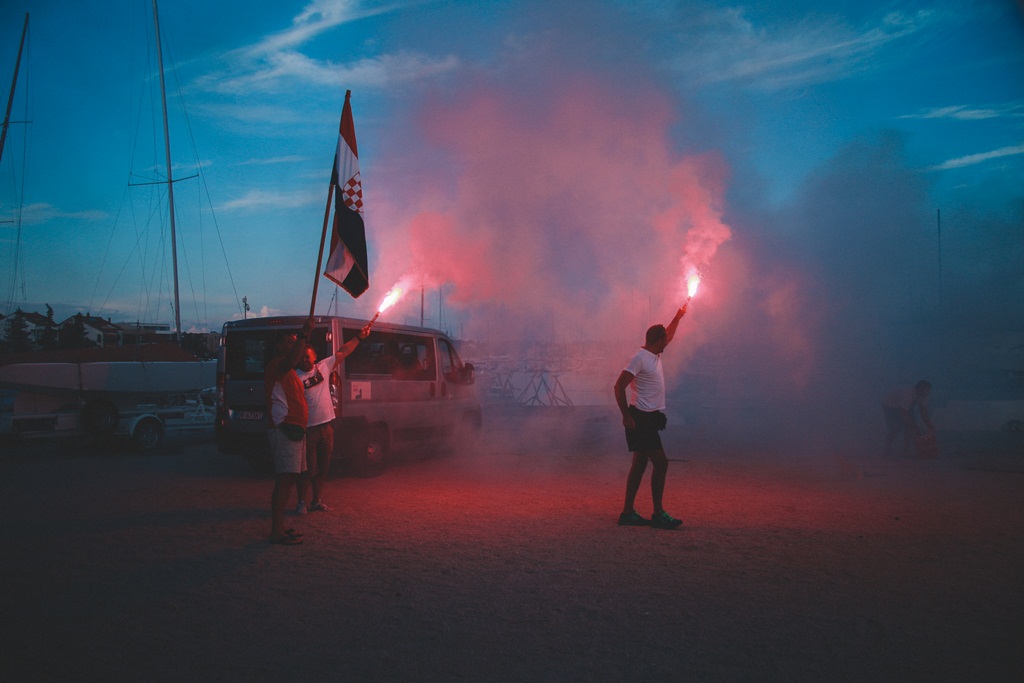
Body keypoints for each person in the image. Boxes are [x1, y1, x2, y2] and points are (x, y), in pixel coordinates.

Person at [614, 304, 688, 529]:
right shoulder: (639, 358)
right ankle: (658, 514)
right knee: (661, 463)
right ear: (657, 341)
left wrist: (678, 315)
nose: (668, 341)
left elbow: (670, 333)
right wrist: (626, 416)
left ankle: (628, 513)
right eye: (664, 339)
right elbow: (618, 386)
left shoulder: (654, 354)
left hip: (649, 418)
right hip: (641, 419)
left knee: (639, 464)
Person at [295, 323, 371, 515]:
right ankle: (301, 502)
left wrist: (359, 337)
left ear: (314, 357)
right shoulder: (295, 377)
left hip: (326, 427)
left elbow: (344, 351)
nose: (304, 359)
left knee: (323, 468)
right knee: (307, 470)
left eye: (307, 356)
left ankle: (317, 501)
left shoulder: (323, 367)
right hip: (308, 429)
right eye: (302, 357)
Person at [264, 317, 314, 545]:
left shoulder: (291, 371)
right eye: (288, 342)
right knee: (284, 479)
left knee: (290, 477)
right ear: (278, 347)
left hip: (294, 430)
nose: (293, 345)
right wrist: (303, 335)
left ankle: (281, 526)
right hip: (284, 429)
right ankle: (276, 530)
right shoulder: (277, 365)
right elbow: (291, 359)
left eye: (294, 342)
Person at [883, 380, 935, 457]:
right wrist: (915, 426)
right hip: (890, 407)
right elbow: (903, 413)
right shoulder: (907, 394)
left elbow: (923, 411)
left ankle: (905, 450)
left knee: (910, 428)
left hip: (906, 407)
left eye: (928, 391)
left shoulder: (923, 395)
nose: (928, 393)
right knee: (895, 428)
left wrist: (930, 426)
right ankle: (887, 447)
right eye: (926, 391)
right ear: (920, 389)